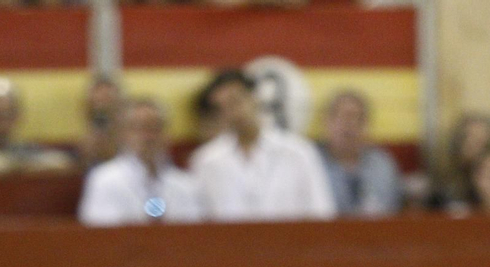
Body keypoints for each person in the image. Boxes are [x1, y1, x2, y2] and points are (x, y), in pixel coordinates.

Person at [191, 69, 336, 222]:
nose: (233, 112)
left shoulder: (298, 152)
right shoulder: (206, 161)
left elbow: (320, 213)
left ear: (254, 97)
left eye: (236, 101)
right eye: (223, 107)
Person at [78, 97, 203, 225]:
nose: (148, 136)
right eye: (139, 128)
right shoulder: (104, 179)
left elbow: (195, 232)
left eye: (155, 128)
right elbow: (99, 231)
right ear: (123, 133)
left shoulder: (185, 184)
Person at [316, 90, 401, 218]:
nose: (350, 125)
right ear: (327, 122)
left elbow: (393, 210)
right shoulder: (312, 162)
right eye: (343, 117)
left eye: (358, 118)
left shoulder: (382, 164)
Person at [78, 74, 124, 169]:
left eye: (107, 99)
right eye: (99, 101)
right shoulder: (89, 133)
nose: (103, 103)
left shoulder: (128, 134)